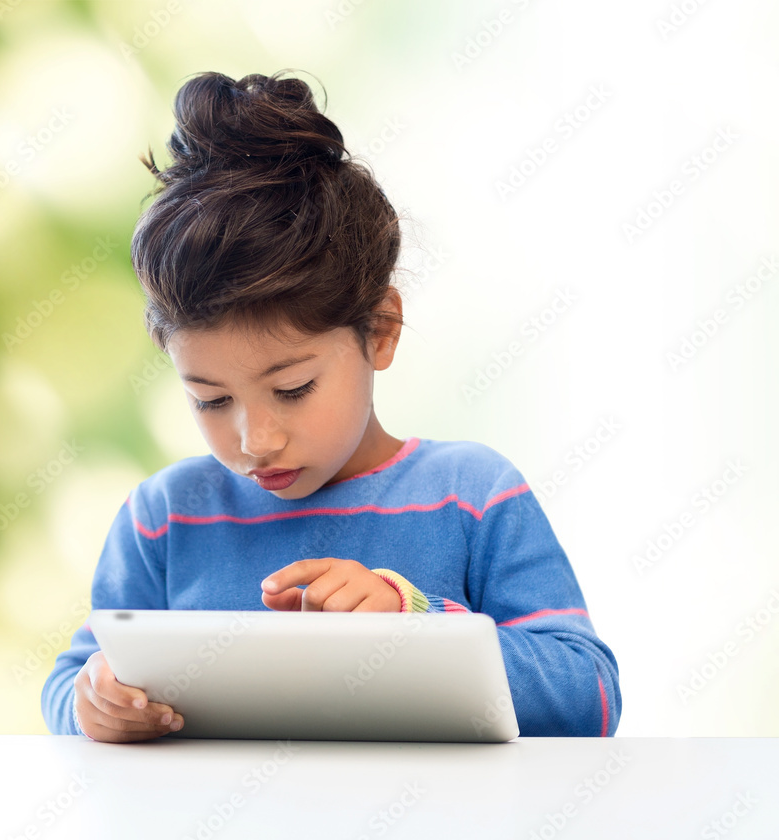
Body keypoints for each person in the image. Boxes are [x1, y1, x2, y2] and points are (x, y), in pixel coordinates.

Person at [41, 70, 621, 743]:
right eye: (211, 399)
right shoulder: (165, 520)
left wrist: (416, 623)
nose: (256, 439)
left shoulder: (470, 497)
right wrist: (92, 707)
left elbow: (591, 698)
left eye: (292, 390)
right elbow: (75, 680)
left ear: (380, 330)